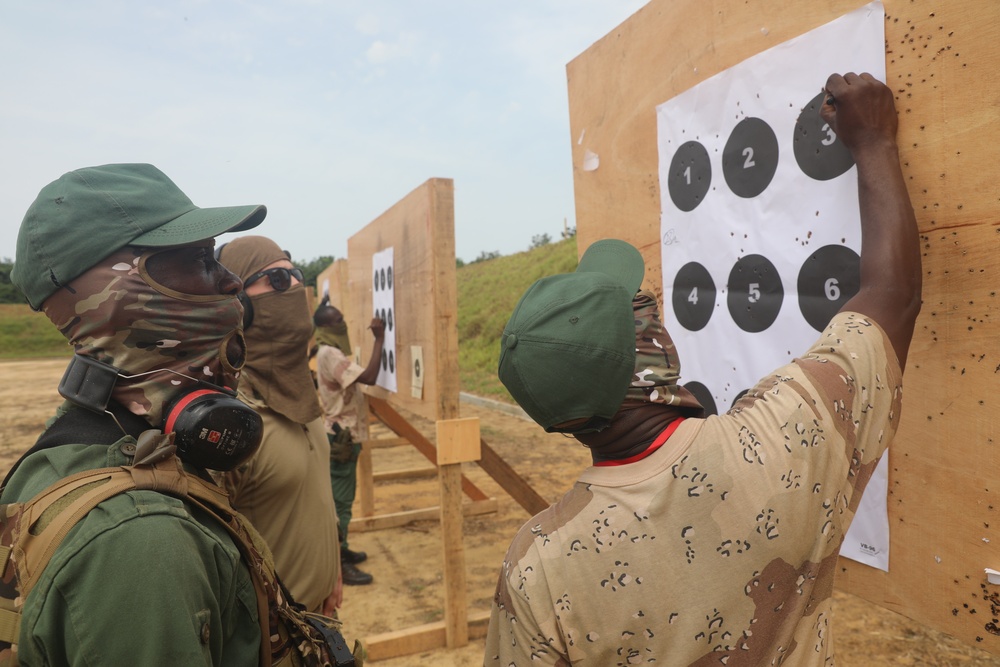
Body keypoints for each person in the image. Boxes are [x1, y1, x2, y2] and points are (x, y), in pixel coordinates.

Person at [485, 72, 920, 665]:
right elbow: (890, 297)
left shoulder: (537, 566)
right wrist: (873, 142)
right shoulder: (777, 444)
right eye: (644, 310)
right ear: (652, 353)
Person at [5, 163, 267, 664]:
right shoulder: (140, 540)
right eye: (198, 259)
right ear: (118, 293)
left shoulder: (70, 449)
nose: (231, 282)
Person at [215, 236, 343, 614]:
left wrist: (331, 564)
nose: (296, 289)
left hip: (321, 626)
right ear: (239, 304)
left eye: (296, 275)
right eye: (277, 280)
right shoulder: (232, 421)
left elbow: (315, 492)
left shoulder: (301, 394)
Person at [313, 296, 386, 586]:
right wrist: (379, 339)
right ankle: (339, 563)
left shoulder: (325, 350)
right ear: (327, 326)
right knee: (341, 504)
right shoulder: (330, 353)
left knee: (341, 500)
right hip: (342, 437)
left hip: (340, 434)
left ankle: (341, 550)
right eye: (338, 320)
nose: (343, 324)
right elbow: (368, 376)